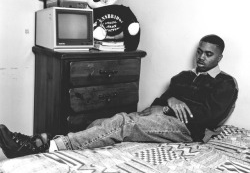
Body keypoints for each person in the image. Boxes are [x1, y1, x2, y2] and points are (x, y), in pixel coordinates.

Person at [0, 34, 238, 159]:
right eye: (200, 51)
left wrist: (167, 108)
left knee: (123, 122)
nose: (201, 57)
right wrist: (169, 102)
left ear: (219, 57)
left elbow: (209, 117)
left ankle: (43, 147)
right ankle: (46, 139)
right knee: (102, 124)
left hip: (189, 130)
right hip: (165, 120)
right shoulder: (183, 77)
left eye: (208, 54)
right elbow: (158, 102)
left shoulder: (225, 83)